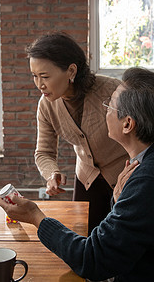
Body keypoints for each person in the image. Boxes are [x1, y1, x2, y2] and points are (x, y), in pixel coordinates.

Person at [0, 67, 154, 281]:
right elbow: (126, 238)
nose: (105, 110)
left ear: (128, 124)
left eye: (110, 105)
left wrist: (36, 217)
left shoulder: (152, 180)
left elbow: (93, 261)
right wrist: (119, 199)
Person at [26, 31, 128, 233]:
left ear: (71, 71)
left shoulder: (113, 91)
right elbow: (44, 152)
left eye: (45, 76)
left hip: (125, 177)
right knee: (87, 238)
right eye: (35, 76)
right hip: (87, 180)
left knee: (123, 239)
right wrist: (51, 174)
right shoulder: (46, 105)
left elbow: (146, 135)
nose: (39, 85)